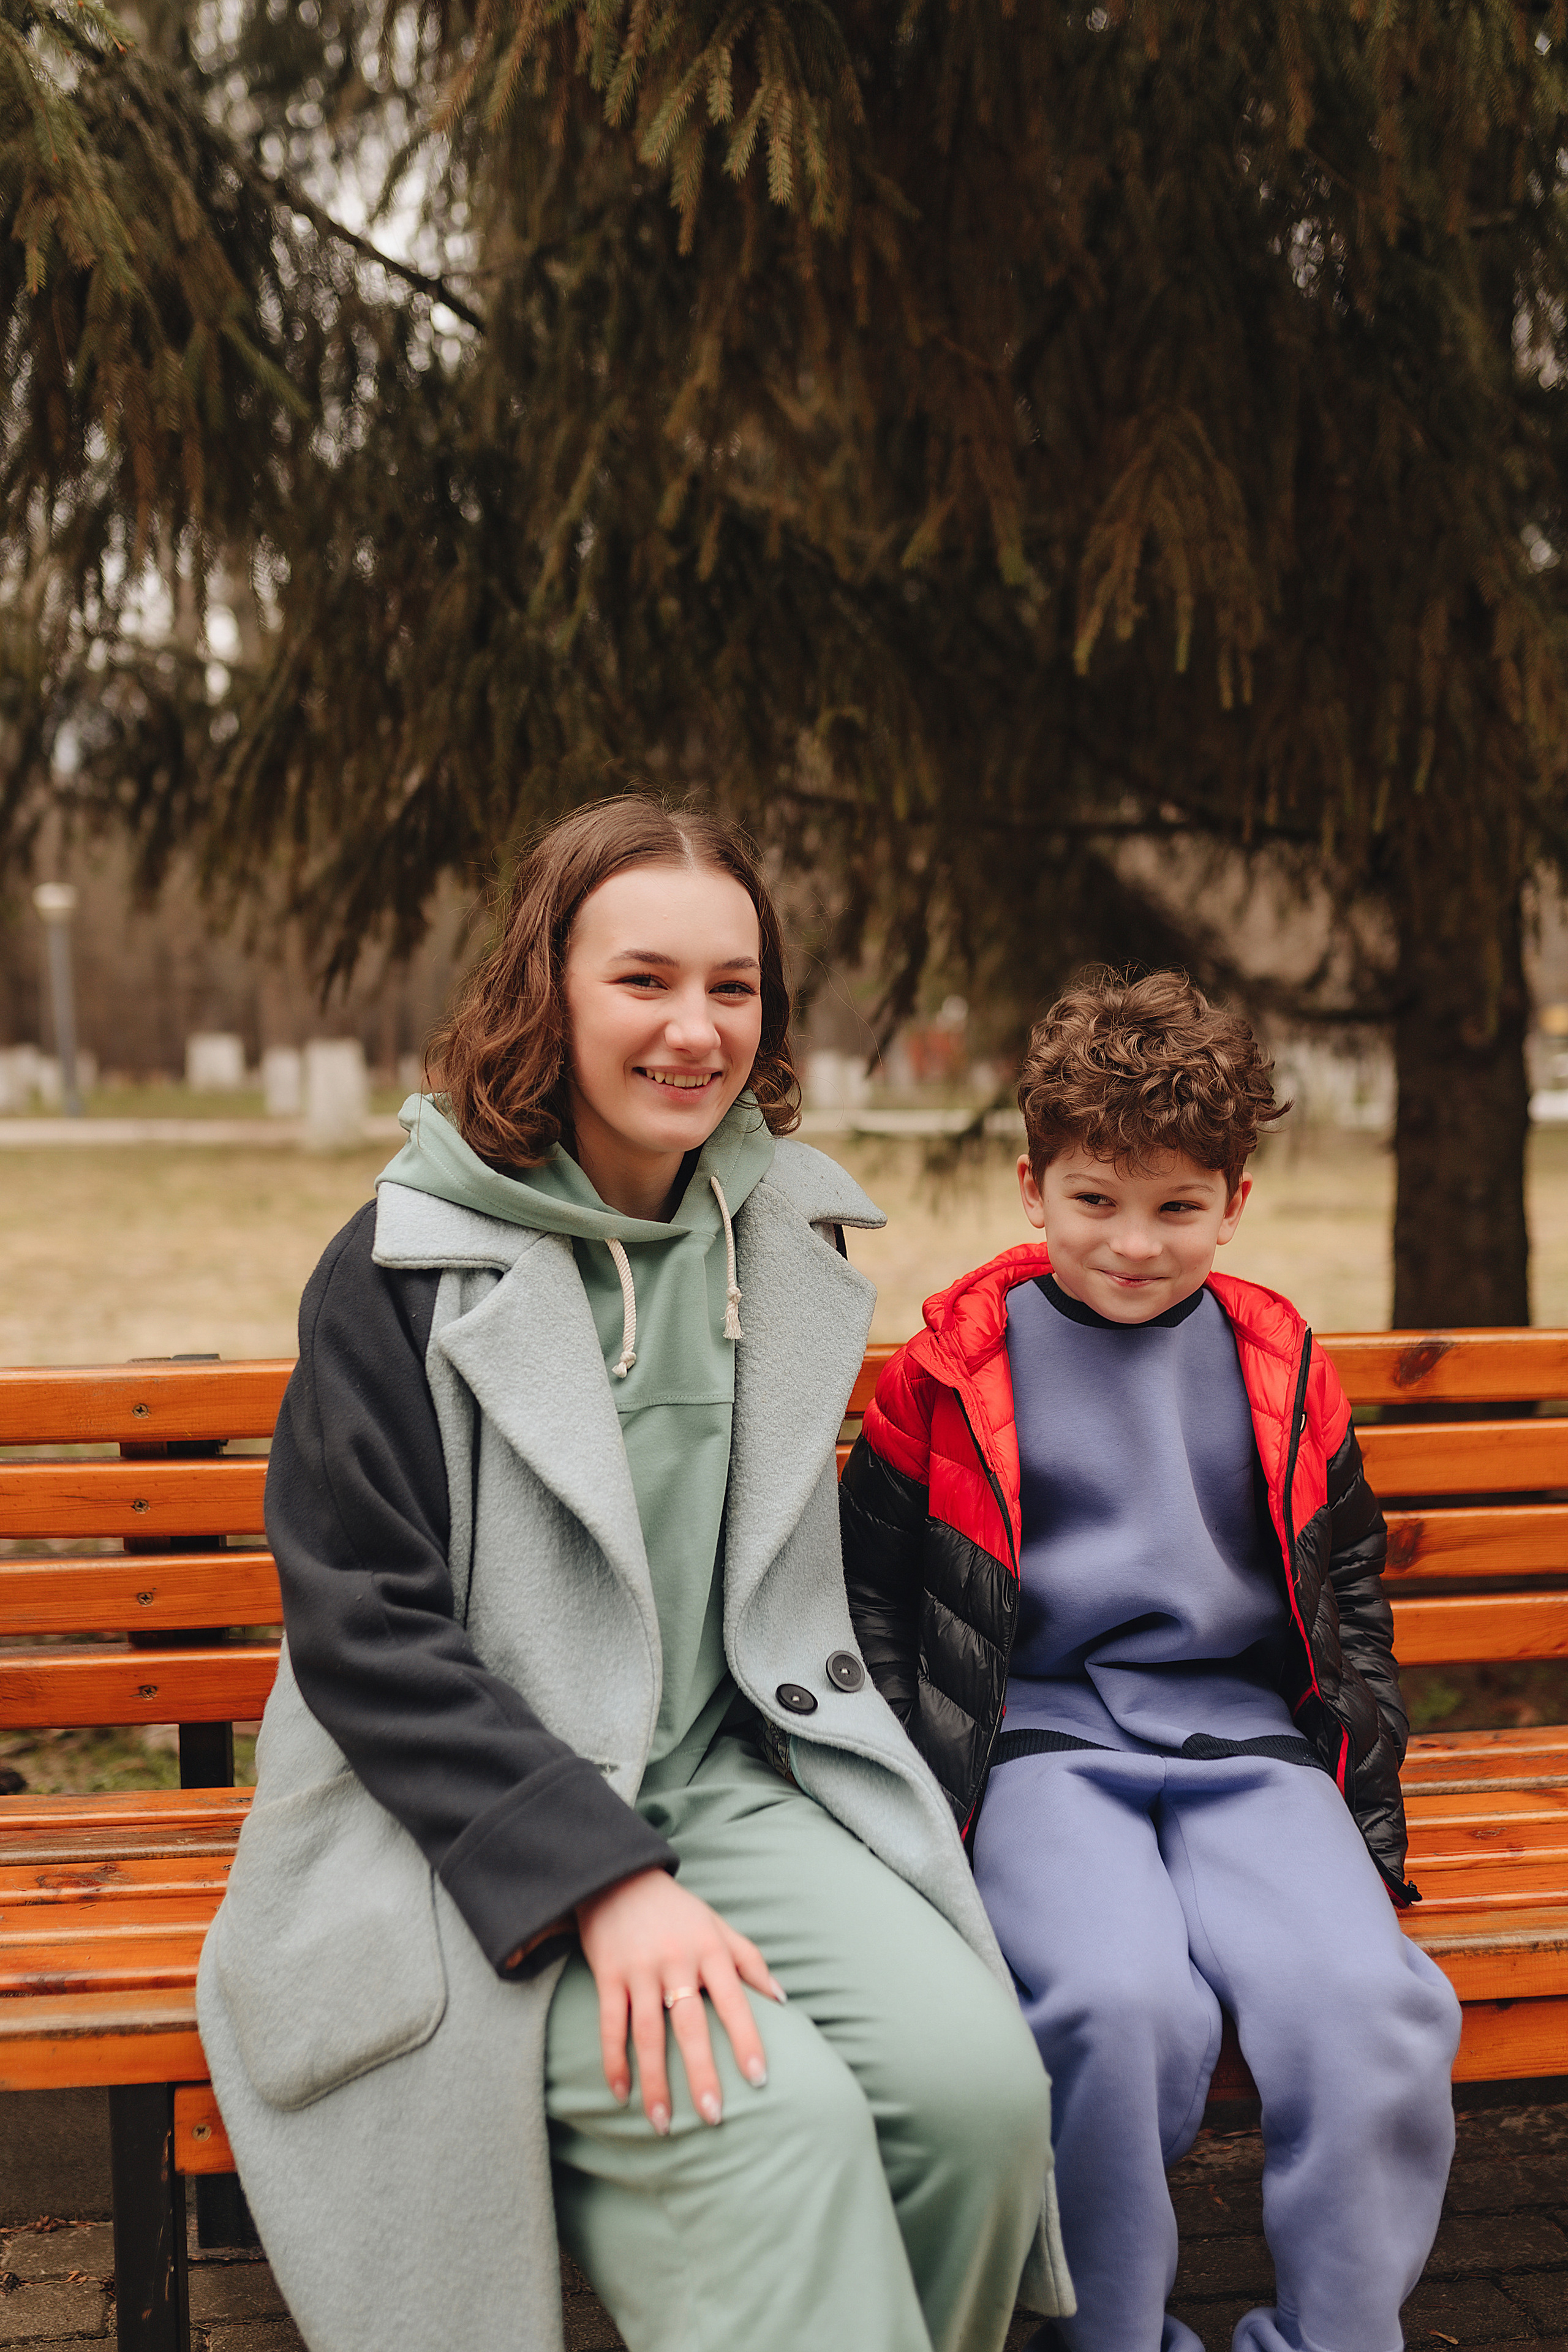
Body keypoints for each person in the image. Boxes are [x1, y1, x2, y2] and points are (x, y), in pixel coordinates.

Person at [196, 797, 1069, 2352]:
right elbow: (365, 1632)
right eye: (643, 981)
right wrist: (599, 1878)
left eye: (732, 987)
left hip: (725, 1785)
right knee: (777, 2123)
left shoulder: (780, 1243)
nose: (694, 1029)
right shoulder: (404, 1264)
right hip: (469, 1827)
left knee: (980, 2098)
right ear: (550, 990)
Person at [838, 969, 1462, 2352]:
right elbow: (870, 1592)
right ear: (1030, 1185)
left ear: (1231, 1202)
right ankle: (1110, 2334)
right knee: (1112, 2006)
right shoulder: (947, 1369)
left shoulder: (1280, 1359)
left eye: (1178, 1207)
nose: (1134, 1243)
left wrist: (1361, 1775)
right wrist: (918, 1789)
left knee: (1365, 2008)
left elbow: (1345, 1581)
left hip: (1250, 1747)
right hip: (1041, 1748)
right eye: (1094, 1202)